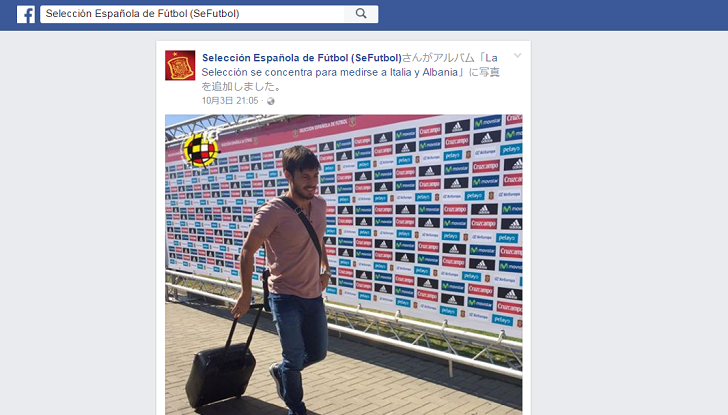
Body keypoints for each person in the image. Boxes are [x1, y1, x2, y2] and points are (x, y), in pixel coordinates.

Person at [231, 145, 330, 415]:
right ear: (288, 175)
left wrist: (326, 270)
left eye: (315, 176)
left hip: (314, 295)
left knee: (317, 353)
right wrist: (246, 292)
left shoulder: (320, 205)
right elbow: (247, 251)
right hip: (285, 297)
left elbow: (319, 240)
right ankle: (296, 409)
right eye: (305, 177)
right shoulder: (272, 211)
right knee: (294, 357)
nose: (312, 183)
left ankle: (281, 371)